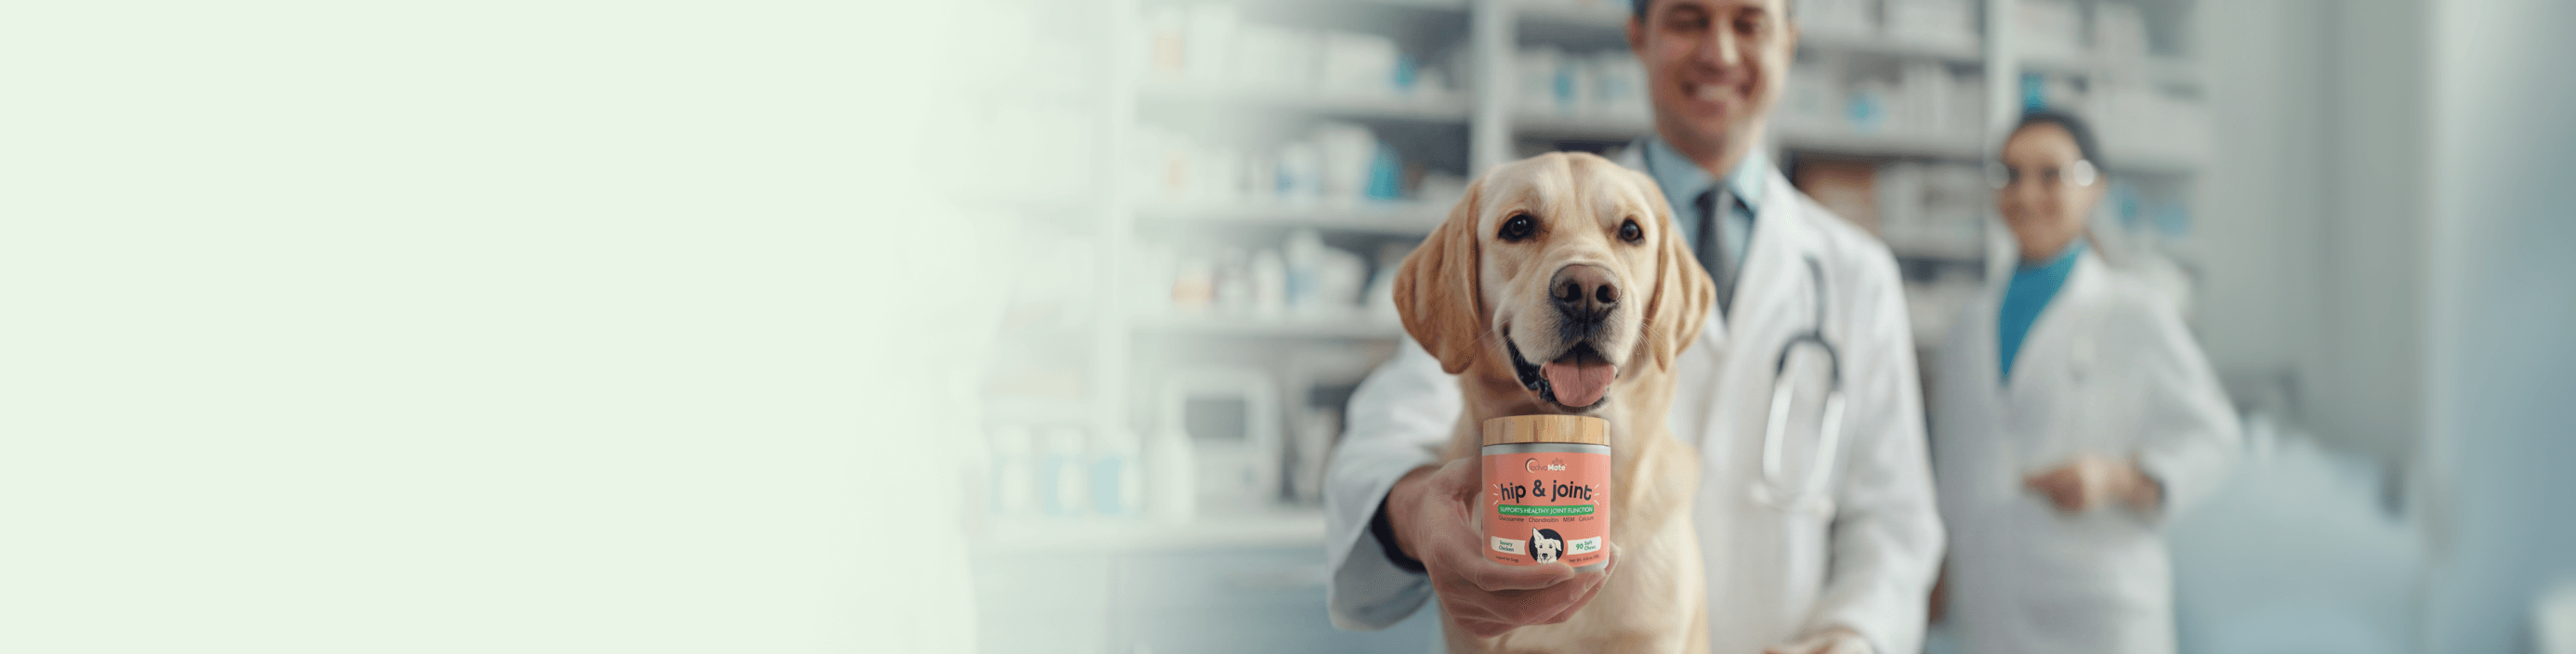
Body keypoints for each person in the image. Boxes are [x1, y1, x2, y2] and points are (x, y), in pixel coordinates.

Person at [1321, 0, 1945, 652]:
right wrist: (1417, 515)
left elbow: (1895, 520)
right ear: (1638, 37)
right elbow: (1389, 434)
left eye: (1749, 23)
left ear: (1788, 44)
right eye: (1688, 19)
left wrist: (1855, 637)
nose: (1720, 52)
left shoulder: (1858, 273)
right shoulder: (1498, 215)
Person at [1927, 111, 2240, 654]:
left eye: (2050, 175)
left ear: (2095, 188)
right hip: (1988, 608)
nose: (2026, 194)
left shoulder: (2135, 311)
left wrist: (2119, 479)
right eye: (2010, 175)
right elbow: (1954, 468)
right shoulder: (1968, 326)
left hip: (2099, 613)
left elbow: (2216, 438)